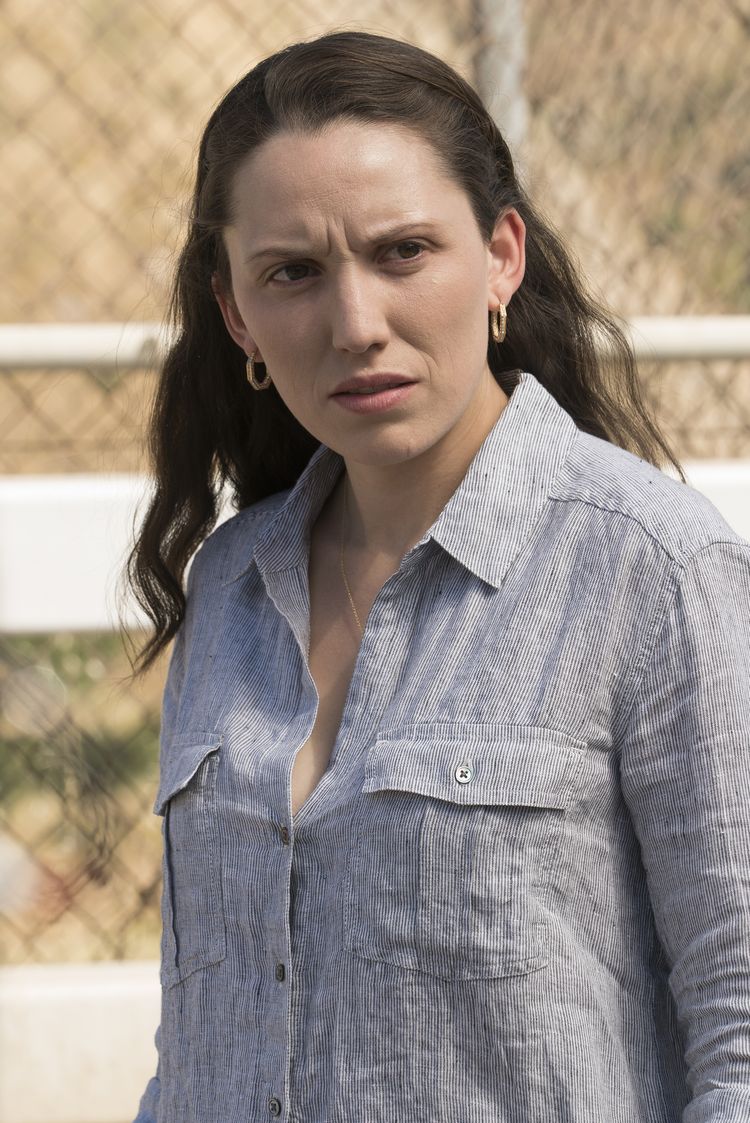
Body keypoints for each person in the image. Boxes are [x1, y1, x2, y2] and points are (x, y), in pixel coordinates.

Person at [129, 31, 750, 1123]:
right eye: (292, 273)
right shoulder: (230, 585)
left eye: (403, 252)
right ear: (237, 315)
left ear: (502, 255)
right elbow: (203, 1042)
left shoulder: (650, 569)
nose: (356, 325)